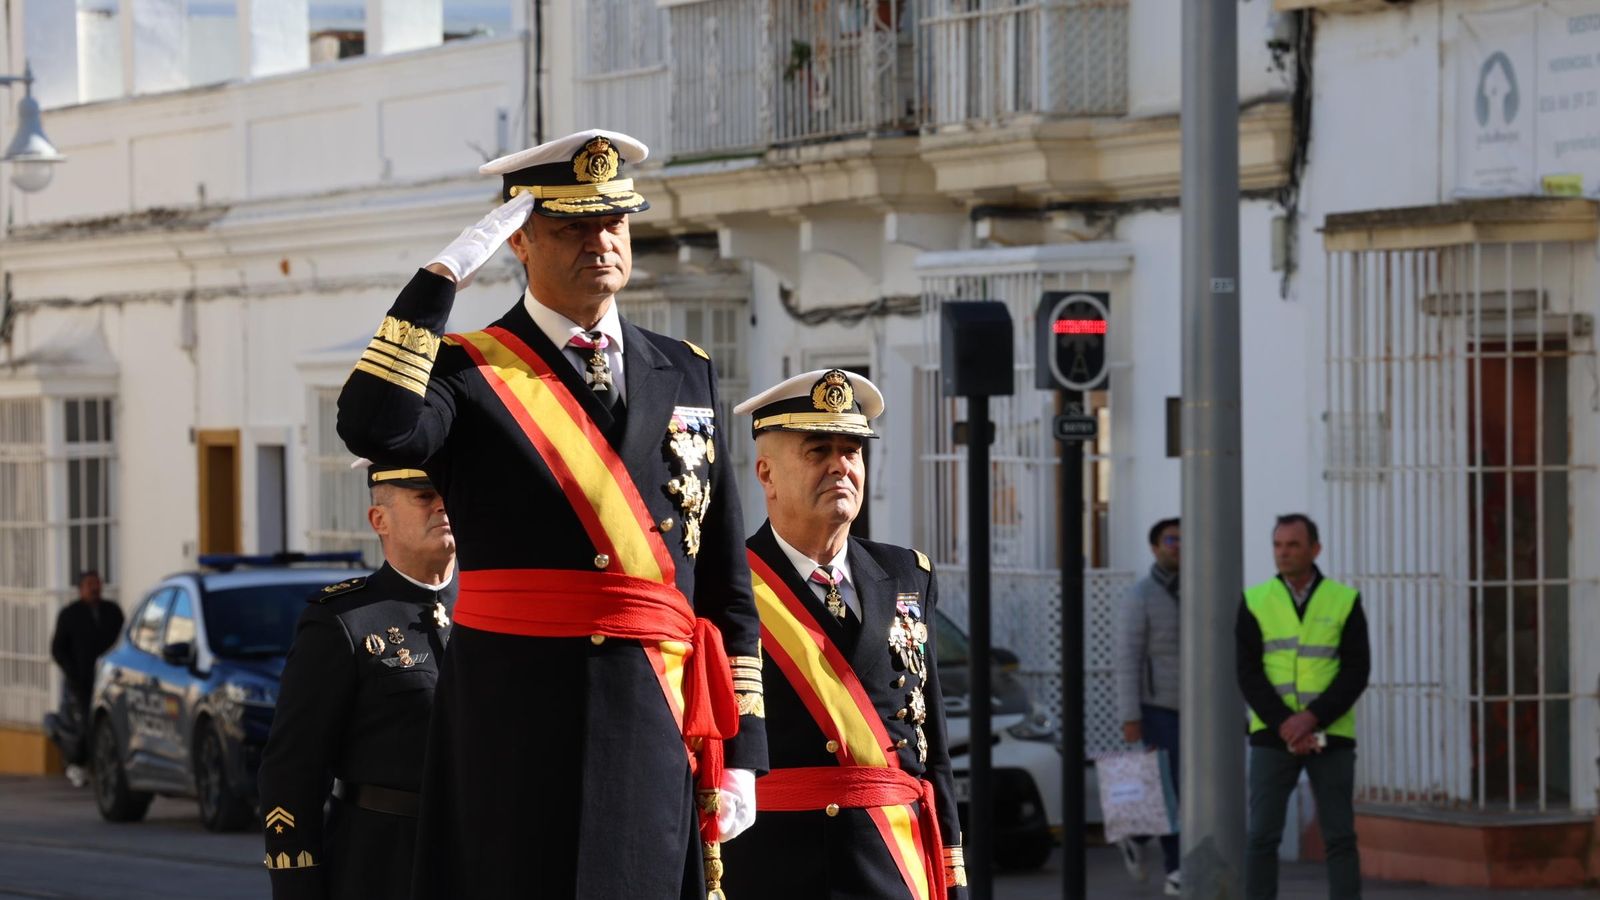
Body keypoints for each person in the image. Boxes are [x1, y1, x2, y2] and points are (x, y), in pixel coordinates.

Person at [336, 129, 767, 898]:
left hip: (654, 713)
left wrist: (742, 750)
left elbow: (726, 578)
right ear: (521, 243)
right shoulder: (468, 370)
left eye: (614, 223)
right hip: (516, 717)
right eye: (572, 227)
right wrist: (438, 282)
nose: (600, 242)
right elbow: (373, 427)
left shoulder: (684, 369)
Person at [722, 369, 967, 900]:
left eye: (852, 451)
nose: (841, 466)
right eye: (817, 451)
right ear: (766, 474)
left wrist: (952, 877)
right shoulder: (723, 582)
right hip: (773, 870)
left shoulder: (907, 575)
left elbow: (935, 753)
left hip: (893, 867)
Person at [255, 462, 457, 899]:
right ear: (378, 520)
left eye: (447, 494)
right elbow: (292, 768)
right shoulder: (344, 620)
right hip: (382, 864)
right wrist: (298, 885)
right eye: (424, 497)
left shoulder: (493, 611)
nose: (442, 506)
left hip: (482, 860)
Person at [1236, 513, 1370, 900]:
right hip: (1272, 733)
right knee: (1261, 835)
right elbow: (1248, 673)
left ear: (1315, 549)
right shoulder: (1255, 600)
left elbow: (1356, 670)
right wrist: (1286, 724)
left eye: (1293, 545)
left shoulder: (1343, 600)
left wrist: (1311, 718)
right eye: (1278, 545)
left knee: (1340, 836)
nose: (1283, 553)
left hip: (1330, 733)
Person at [1113, 517, 1182, 895]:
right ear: (1155, 547)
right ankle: (1175, 870)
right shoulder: (1141, 596)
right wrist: (1130, 716)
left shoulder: (1203, 588)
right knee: (1172, 789)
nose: (1179, 546)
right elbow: (1128, 658)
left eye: (1185, 539)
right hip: (1158, 708)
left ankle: (1137, 837)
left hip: (1199, 711)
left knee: (1177, 789)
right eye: (1171, 539)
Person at [48, 570, 123, 787]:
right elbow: (58, 649)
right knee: (82, 726)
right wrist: (73, 673)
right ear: (80, 589)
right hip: (81, 682)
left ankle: (102, 765)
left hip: (109, 681)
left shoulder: (112, 611)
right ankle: (78, 763)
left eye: (97, 583)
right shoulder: (70, 614)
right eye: (89, 584)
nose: (94, 588)